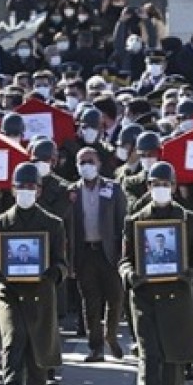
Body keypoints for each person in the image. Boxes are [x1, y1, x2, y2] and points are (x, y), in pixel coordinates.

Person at [0, 162, 69, 385]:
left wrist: (53, 274)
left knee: (38, 360)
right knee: (12, 336)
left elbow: (62, 263)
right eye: (21, 187)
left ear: (39, 190)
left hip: (40, 294)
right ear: (12, 189)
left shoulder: (53, 224)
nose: (26, 192)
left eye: (31, 187)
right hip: (9, 291)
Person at [120, 162, 193, 385]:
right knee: (148, 351)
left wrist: (191, 274)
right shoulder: (134, 222)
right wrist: (129, 275)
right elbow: (124, 260)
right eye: (154, 183)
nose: (160, 188)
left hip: (178, 299)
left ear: (173, 186)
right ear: (148, 187)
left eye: (165, 183)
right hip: (145, 297)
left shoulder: (191, 221)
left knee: (174, 363)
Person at [70, 146, 128, 362]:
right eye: (82, 161)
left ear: (99, 164)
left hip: (109, 252)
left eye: (90, 161)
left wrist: (124, 253)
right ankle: (95, 347)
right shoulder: (72, 192)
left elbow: (124, 222)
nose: (86, 165)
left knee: (115, 297)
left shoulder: (113, 189)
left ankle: (110, 335)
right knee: (90, 301)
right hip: (85, 253)